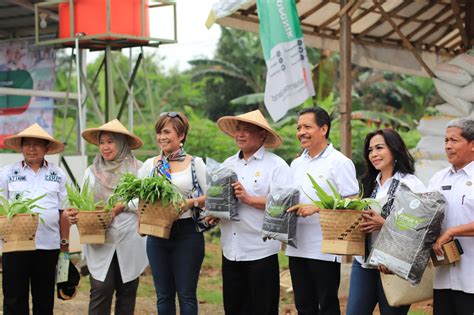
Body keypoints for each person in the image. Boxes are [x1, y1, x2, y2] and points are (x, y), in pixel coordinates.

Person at [66, 119, 148, 315]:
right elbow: (85, 201)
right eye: (102, 142)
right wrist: (78, 213)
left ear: (121, 143)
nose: (105, 147)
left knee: (127, 290)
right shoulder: (91, 172)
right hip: (99, 238)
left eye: (110, 142)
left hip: (130, 237)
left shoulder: (139, 168)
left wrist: (121, 207)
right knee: (101, 288)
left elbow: (145, 200)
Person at [215, 109, 291, 315]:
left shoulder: (276, 165)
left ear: (262, 135)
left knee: (263, 309)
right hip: (231, 250)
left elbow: (284, 205)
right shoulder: (227, 164)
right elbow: (219, 201)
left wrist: (248, 199)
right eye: (238, 130)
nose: (240, 134)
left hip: (261, 251)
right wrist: (215, 212)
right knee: (234, 308)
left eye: (247, 130)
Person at [286, 107, 359, 315]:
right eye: (299, 127)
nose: (301, 132)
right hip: (297, 245)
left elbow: (353, 202)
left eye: (307, 126)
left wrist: (318, 208)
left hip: (325, 248)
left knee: (326, 305)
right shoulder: (296, 164)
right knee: (303, 305)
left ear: (324, 129)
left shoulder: (340, 162)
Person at [346, 128, 425, 315]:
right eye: (370, 150)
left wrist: (385, 224)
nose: (373, 154)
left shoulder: (411, 184)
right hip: (364, 263)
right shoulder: (369, 183)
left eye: (379, 148)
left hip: (393, 265)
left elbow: (422, 227)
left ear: (394, 149)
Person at [139, 111, 207, 315]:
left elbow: (213, 197)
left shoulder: (195, 163)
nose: (162, 137)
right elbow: (137, 198)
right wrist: (141, 219)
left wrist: (190, 203)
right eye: (159, 132)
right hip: (157, 234)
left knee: (186, 294)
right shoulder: (150, 165)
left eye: (167, 132)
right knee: (163, 295)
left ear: (182, 136)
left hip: (188, 234)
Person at [0, 123, 69, 315]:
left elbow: (63, 211)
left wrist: (65, 243)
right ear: (21, 147)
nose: (31, 148)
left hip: (48, 246)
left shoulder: (57, 174)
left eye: (37, 144)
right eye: (27, 144)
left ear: (46, 148)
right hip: (15, 246)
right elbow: (1, 212)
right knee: (14, 298)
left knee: (44, 298)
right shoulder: (7, 173)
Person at [429, 118, 474, 315]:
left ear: (472, 144)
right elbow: (424, 217)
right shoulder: (438, 179)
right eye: (446, 140)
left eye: (454, 140)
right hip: (443, 276)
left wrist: (453, 232)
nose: (448, 146)